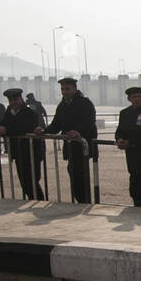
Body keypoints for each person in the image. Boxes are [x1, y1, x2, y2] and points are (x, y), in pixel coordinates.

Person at [37, 76, 98, 204]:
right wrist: (44, 131)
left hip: (83, 146)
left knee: (81, 175)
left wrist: (78, 132)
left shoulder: (85, 103)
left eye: (68, 89)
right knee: (73, 173)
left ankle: (85, 202)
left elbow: (89, 122)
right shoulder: (63, 105)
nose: (65, 92)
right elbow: (56, 124)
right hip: (70, 147)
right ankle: (81, 201)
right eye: (63, 89)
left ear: (75, 89)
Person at [0, 88, 45, 200]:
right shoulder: (9, 112)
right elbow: (3, 124)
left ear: (21, 99)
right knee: (24, 182)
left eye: (16, 99)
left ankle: (40, 201)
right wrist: (0, 129)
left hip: (31, 152)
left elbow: (26, 128)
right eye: (11, 100)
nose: (13, 102)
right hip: (18, 153)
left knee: (32, 181)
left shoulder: (30, 112)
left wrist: (6, 130)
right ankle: (34, 200)